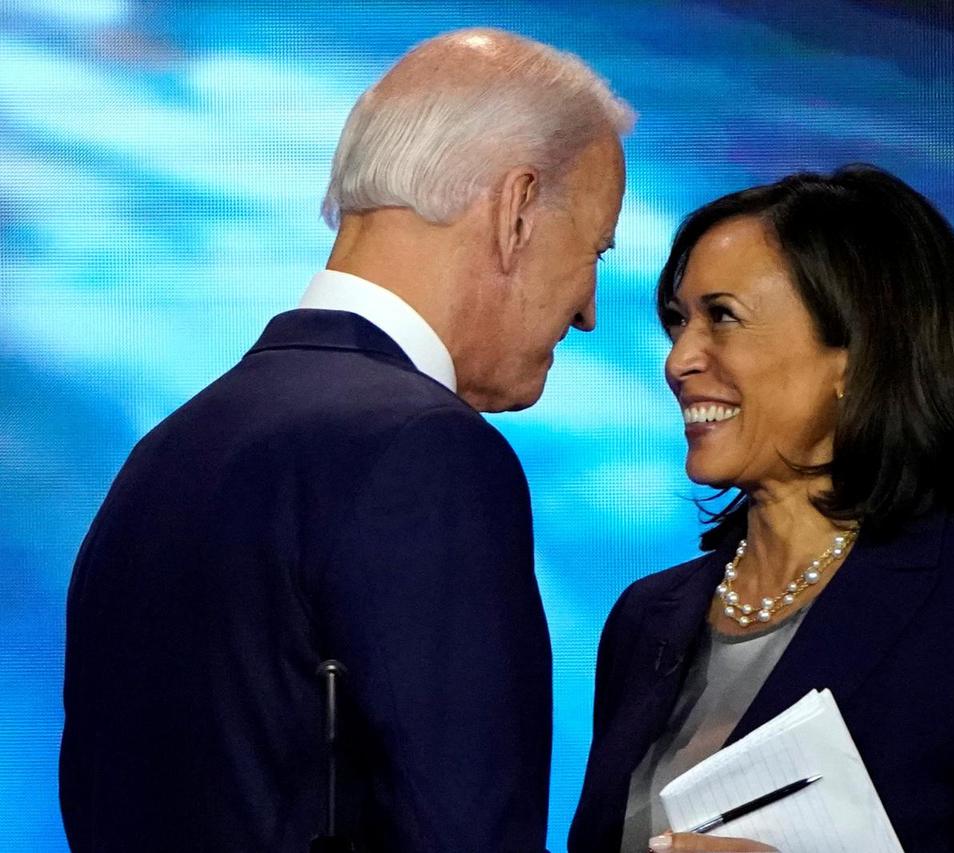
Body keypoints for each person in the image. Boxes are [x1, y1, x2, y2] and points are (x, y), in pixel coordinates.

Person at [60, 28, 630, 852]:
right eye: (595, 251)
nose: (587, 310)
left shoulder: (168, 451)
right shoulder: (427, 453)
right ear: (515, 211)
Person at [569, 165, 954, 853]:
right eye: (678, 322)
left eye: (723, 317)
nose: (680, 358)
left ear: (856, 354)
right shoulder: (645, 619)